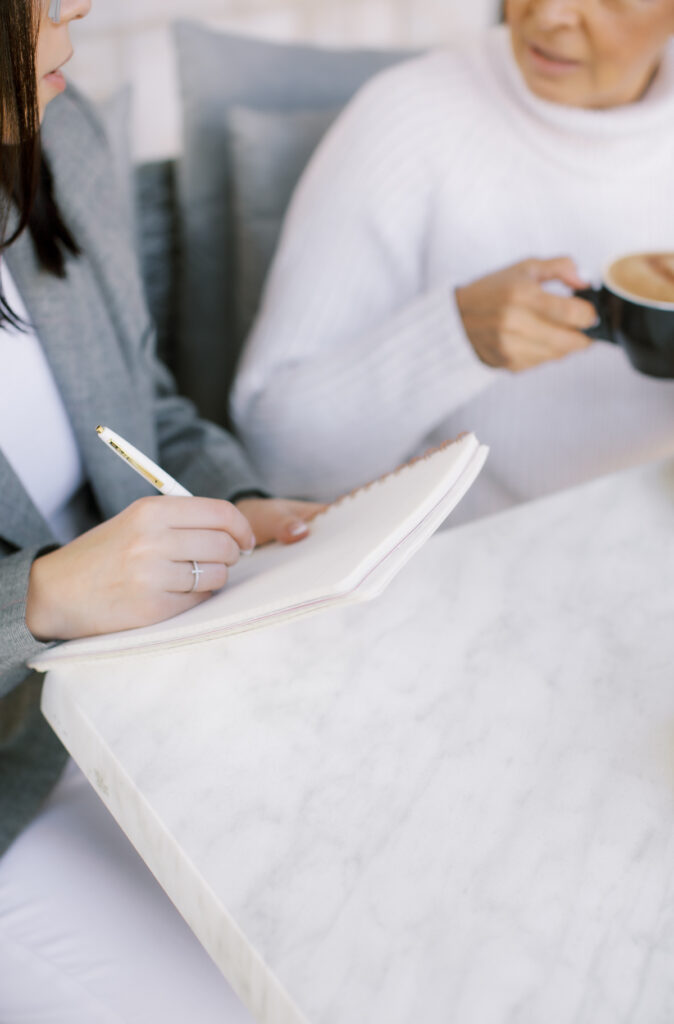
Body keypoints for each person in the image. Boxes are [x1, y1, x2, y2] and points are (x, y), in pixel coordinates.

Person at [0, 1, 319, 1020]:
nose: (78, 7)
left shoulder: (62, 134)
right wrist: (43, 594)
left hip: (144, 711)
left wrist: (240, 503)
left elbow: (145, 415)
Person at [232, 0, 674, 523]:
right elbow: (279, 458)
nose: (550, 15)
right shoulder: (410, 116)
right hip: (465, 565)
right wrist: (457, 338)